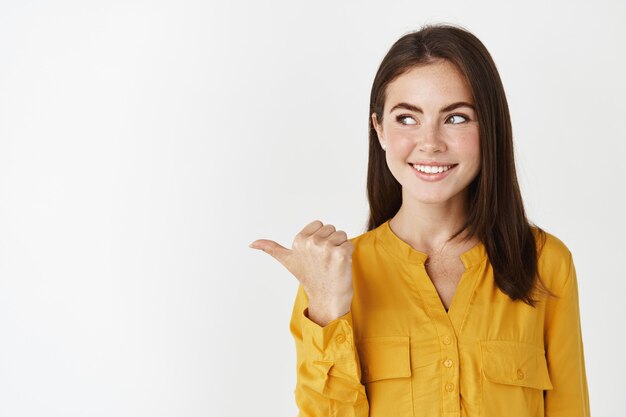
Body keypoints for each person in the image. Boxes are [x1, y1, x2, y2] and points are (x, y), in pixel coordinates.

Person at [249, 23, 590, 417]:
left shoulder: (546, 263)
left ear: (489, 128)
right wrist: (327, 308)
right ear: (378, 128)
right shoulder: (334, 272)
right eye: (407, 118)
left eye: (457, 118)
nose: (430, 142)